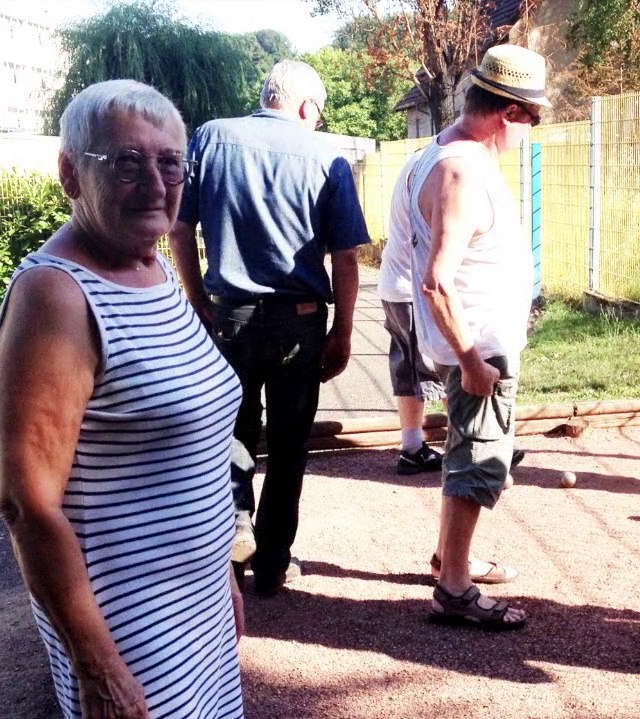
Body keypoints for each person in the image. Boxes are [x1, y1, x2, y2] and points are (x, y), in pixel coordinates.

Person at [0, 80, 245, 719]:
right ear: (71, 174)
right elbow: (27, 504)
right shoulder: (56, 294)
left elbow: (190, 454)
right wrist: (96, 664)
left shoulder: (153, 268)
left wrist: (221, 581)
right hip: (128, 626)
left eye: (169, 163)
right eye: (126, 163)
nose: (156, 185)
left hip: (196, 605)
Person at [169, 60, 370, 597]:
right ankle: (274, 563)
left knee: (228, 434)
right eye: (320, 113)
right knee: (288, 444)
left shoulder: (211, 138)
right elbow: (345, 258)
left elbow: (180, 230)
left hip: (227, 317)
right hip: (300, 323)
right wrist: (343, 331)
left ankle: (232, 539)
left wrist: (196, 298)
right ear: (307, 107)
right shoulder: (327, 156)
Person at [411, 44, 548, 630]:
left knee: (470, 456)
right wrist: (470, 359)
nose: (532, 129)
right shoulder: (461, 169)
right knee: (478, 462)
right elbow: (437, 281)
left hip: (482, 342)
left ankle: (451, 563)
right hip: (480, 348)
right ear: (509, 114)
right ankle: (455, 588)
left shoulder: (445, 151)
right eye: (533, 117)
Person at [378, 147, 447, 476]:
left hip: (395, 283)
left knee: (408, 367)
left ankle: (412, 448)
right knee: (447, 365)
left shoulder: (418, 160)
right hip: (415, 286)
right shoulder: (439, 166)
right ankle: (475, 446)